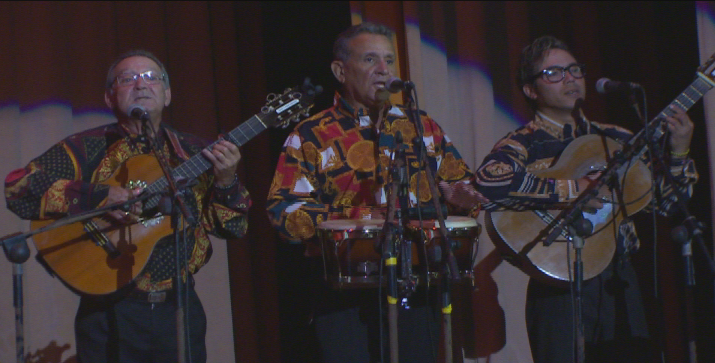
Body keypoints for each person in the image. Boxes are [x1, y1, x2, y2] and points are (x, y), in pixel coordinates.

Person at [444, 35, 698, 362]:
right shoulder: (524, 142)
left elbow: (670, 204)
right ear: (530, 90)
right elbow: (492, 184)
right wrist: (572, 189)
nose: (570, 79)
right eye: (554, 73)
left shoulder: (615, 139)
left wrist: (679, 151)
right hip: (556, 281)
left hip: (619, 281)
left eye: (575, 70)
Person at [4, 50, 251, 363]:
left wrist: (227, 181)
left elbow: (234, 228)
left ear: (168, 94)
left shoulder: (194, 152)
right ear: (109, 97)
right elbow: (17, 188)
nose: (141, 84)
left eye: (151, 77)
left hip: (179, 308)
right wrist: (97, 196)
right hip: (107, 311)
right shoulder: (85, 147)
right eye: (127, 79)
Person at [266, 22, 481, 363]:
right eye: (370, 60)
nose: (384, 70)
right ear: (340, 70)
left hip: (417, 281)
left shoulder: (422, 127)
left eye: (389, 61)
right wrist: (359, 217)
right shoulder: (312, 134)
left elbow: (459, 187)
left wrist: (462, 198)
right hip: (343, 293)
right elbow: (284, 212)